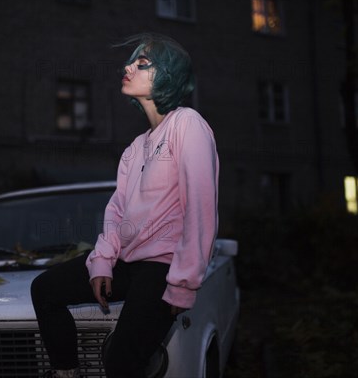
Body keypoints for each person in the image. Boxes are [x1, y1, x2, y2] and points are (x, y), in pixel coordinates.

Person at [31, 33, 219, 378]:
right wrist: (101, 262)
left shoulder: (187, 124)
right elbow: (117, 210)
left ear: (168, 75)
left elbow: (200, 206)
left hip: (163, 267)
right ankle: (66, 372)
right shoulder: (135, 148)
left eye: (142, 63)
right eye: (131, 62)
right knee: (44, 289)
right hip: (128, 262)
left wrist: (183, 282)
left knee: (120, 362)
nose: (128, 67)